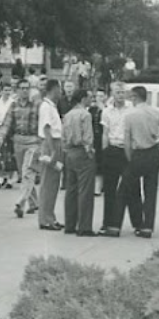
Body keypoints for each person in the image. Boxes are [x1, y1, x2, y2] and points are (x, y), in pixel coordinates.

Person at [103, 86, 159, 238]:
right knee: (151, 191)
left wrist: (130, 158)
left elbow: (127, 141)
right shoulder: (155, 112)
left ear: (134, 97)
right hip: (153, 152)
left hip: (138, 153)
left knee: (123, 189)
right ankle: (147, 227)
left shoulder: (130, 115)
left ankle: (114, 225)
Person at [0, 79, 41, 217]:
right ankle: (34, 202)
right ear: (17, 90)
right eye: (22, 88)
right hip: (18, 140)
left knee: (28, 171)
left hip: (33, 141)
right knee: (24, 174)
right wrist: (1, 137)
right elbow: (7, 123)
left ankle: (20, 202)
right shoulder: (13, 105)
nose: (24, 91)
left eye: (27, 88)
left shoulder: (36, 105)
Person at [62, 89, 97, 236]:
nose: (91, 99)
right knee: (85, 191)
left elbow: (64, 136)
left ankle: (69, 224)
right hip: (82, 151)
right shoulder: (85, 114)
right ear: (83, 99)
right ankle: (84, 226)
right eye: (89, 97)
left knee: (71, 189)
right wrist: (90, 152)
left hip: (70, 152)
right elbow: (88, 137)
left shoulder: (68, 115)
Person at [98, 82, 131, 235]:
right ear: (112, 94)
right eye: (117, 92)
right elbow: (105, 132)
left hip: (126, 150)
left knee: (129, 188)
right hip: (112, 149)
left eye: (123, 92)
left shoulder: (131, 109)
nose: (120, 95)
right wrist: (105, 151)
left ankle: (136, 223)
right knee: (109, 189)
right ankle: (108, 222)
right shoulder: (106, 111)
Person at [37, 80, 64, 230]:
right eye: (59, 89)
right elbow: (47, 128)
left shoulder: (52, 107)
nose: (60, 92)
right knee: (48, 183)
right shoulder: (46, 107)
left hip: (56, 142)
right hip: (50, 143)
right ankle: (45, 219)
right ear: (53, 89)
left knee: (54, 183)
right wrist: (53, 150)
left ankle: (50, 216)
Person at [89, 88, 107, 196]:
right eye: (97, 96)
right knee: (95, 163)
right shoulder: (91, 110)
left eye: (101, 96)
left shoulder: (108, 109)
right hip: (94, 139)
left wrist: (103, 109)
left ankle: (101, 187)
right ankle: (96, 187)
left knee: (103, 163)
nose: (99, 98)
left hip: (104, 138)